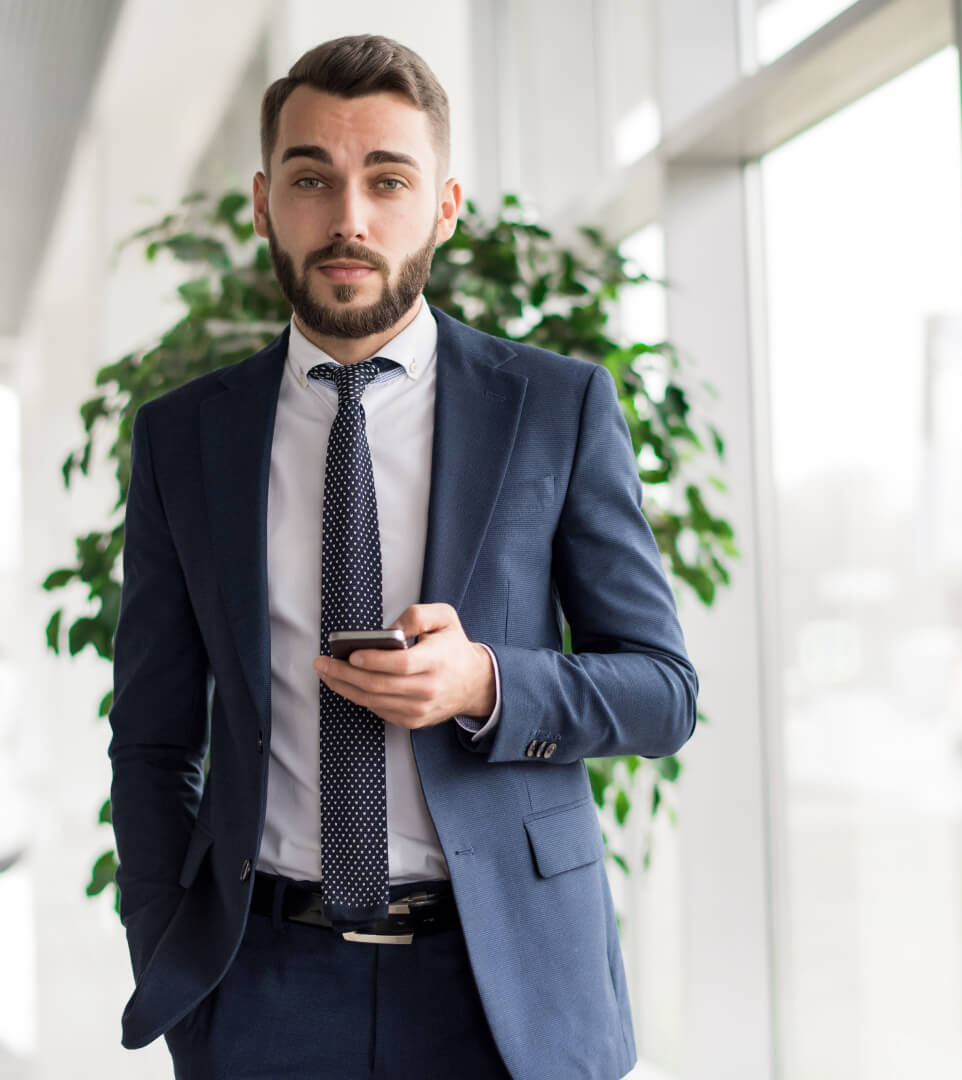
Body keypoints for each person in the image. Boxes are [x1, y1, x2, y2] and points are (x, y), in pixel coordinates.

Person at [108, 33, 697, 1080]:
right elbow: (153, 741)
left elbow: (662, 693)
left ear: (445, 204)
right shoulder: (182, 437)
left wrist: (485, 681)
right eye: (312, 179)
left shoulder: (555, 407)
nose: (349, 219)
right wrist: (167, 943)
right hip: (262, 993)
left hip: (503, 989)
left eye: (388, 179)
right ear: (262, 202)